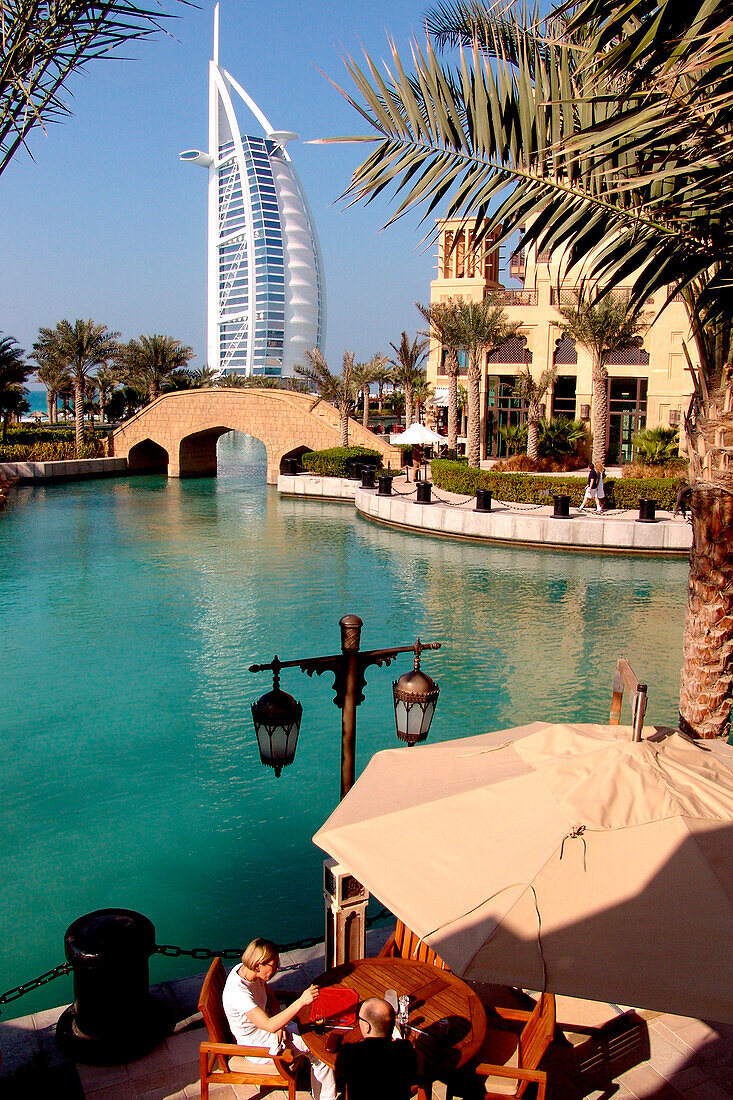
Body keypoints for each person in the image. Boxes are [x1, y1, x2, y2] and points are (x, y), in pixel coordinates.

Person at [222, 937, 337, 1100]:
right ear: (257, 965)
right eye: (274, 965)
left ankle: (321, 1090)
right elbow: (269, 1025)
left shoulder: (247, 972)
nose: (277, 969)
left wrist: (280, 1025)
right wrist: (301, 1002)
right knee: (319, 1048)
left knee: (315, 1035)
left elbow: (270, 996)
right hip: (258, 1048)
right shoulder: (239, 993)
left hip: (270, 1030)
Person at [335, 996, 418, 1100]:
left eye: (360, 1019)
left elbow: (340, 1081)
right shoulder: (405, 1050)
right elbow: (415, 1076)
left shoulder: (348, 1053)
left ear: (367, 1027)